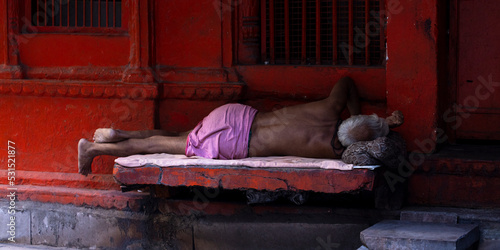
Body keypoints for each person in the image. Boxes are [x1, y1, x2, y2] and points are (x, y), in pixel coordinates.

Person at [78, 77, 403, 175]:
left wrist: (363, 114)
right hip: (233, 144)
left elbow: (345, 82)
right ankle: (91, 148)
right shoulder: (330, 149)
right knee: (159, 147)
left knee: (178, 136)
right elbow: (363, 148)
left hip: (234, 116)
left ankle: (122, 133)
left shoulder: (330, 107)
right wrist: (385, 127)